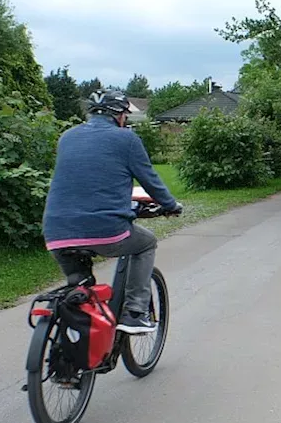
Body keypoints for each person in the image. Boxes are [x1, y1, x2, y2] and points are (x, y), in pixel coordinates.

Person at [42, 89, 182, 334]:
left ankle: (74, 352)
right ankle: (135, 312)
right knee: (146, 243)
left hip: (56, 233)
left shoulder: (66, 137)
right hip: (106, 231)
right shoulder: (126, 140)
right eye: (125, 116)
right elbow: (150, 180)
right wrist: (171, 205)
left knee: (79, 289)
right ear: (119, 116)